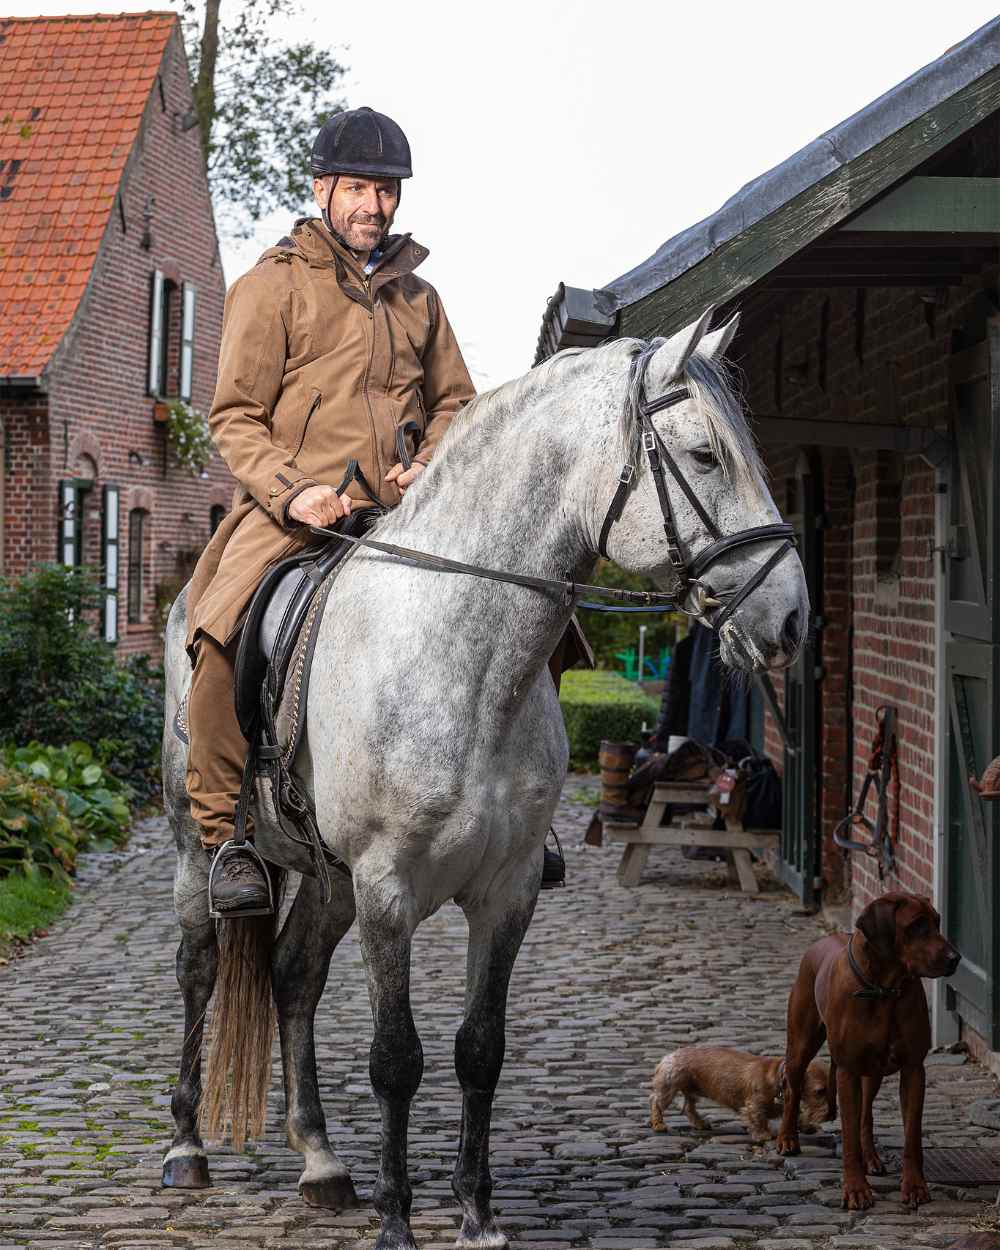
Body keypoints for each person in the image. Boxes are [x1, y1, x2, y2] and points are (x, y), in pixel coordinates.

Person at [185, 107, 567, 915]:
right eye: (358, 186)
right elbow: (234, 418)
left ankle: (524, 810)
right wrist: (296, 490)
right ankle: (226, 839)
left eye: (386, 190)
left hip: (403, 515)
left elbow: (459, 403)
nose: (374, 204)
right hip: (293, 512)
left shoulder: (419, 299)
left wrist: (426, 463)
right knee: (223, 641)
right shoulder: (270, 287)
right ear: (323, 188)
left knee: (538, 614)